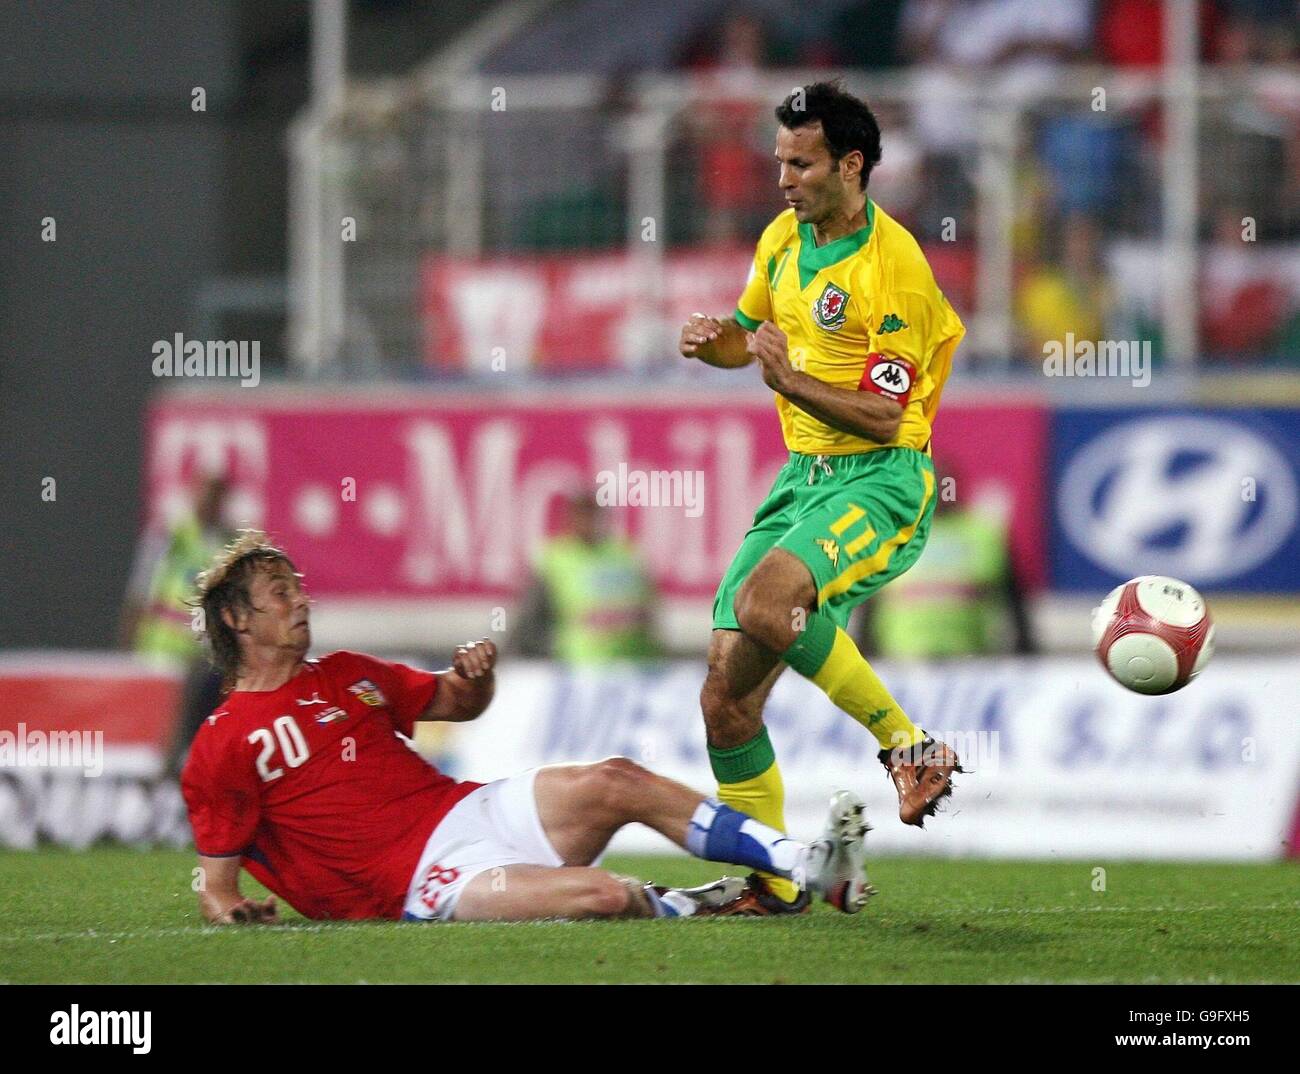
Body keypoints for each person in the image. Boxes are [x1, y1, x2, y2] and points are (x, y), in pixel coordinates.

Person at [180, 531, 872, 925]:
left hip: (467, 808)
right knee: (603, 896)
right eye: (281, 593)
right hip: (421, 880)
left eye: (298, 585)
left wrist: (475, 679)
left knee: (615, 779)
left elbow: (455, 703)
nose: (301, 599)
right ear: (239, 620)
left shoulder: (347, 672)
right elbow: (217, 882)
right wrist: (231, 907)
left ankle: (807, 865)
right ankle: (694, 906)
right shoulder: (223, 741)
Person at [678, 81, 965, 915]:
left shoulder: (896, 268)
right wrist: (716, 345)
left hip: (882, 479)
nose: (783, 179)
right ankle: (771, 882)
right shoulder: (781, 239)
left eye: (800, 164)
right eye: (779, 162)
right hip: (801, 481)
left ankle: (911, 748)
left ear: (852, 164)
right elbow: (750, 339)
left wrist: (788, 377)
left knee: (769, 602)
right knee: (724, 697)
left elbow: (883, 416)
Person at [121, 472, 233, 778]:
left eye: (217, 496)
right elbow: (142, 587)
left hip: (202, 652)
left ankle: (181, 771)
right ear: (193, 494)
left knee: (196, 714)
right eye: (204, 493)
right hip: (162, 647)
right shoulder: (171, 536)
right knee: (165, 717)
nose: (209, 502)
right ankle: (160, 772)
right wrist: (128, 638)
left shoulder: (227, 543)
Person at [513, 492, 660, 664]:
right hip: (579, 666)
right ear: (570, 518)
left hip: (635, 664)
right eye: (582, 515)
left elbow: (650, 607)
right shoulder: (555, 558)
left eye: (592, 514)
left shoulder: (626, 554)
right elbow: (531, 618)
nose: (588, 521)